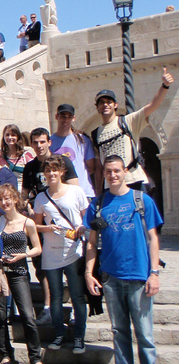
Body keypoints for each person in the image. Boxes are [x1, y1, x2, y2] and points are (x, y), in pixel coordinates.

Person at [84, 156, 162, 364]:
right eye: (108, 171)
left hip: (139, 275)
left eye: (117, 170)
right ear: (104, 174)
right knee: (119, 332)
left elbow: (153, 238)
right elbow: (91, 242)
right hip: (111, 277)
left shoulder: (142, 200)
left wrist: (154, 273)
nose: (113, 175)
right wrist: (89, 273)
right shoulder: (98, 204)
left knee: (144, 334)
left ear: (125, 171)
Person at [32, 155, 88, 354]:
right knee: (55, 296)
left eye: (55, 170)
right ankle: (59, 334)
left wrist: (82, 228)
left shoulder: (76, 191)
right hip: (51, 252)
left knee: (77, 295)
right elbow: (35, 226)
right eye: (48, 170)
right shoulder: (41, 197)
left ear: (62, 172)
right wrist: (48, 228)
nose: (51, 174)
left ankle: (79, 336)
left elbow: (86, 217)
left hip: (73, 250)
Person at [91, 68, 174, 192]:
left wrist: (165, 86)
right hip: (111, 185)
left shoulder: (128, 121)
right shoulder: (95, 133)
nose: (105, 105)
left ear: (115, 105)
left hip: (134, 181)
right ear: (97, 107)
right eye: (101, 102)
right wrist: (99, 192)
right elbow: (99, 164)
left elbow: (152, 106)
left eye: (109, 102)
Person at [0, 184, 43, 364]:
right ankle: (5, 354)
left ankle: (35, 357)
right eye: (0, 199)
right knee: (0, 316)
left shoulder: (27, 222)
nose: (4, 202)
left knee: (28, 315)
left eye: (7, 198)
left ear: (15, 199)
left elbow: (37, 248)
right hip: (0, 272)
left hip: (19, 271)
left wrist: (24, 255)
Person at [51, 104, 97, 198]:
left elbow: (91, 167)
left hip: (83, 192)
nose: (66, 120)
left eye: (69, 117)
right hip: (60, 194)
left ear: (73, 118)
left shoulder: (82, 140)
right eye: (63, 116)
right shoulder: (50, 141)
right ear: (56, 116)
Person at [1, 124, 34, 192]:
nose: (10, 137)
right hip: (6, 191)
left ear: (18, 137)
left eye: (13, 135)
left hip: (22, 191)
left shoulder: (26, 155)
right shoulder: (1, 156)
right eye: (7, 135)